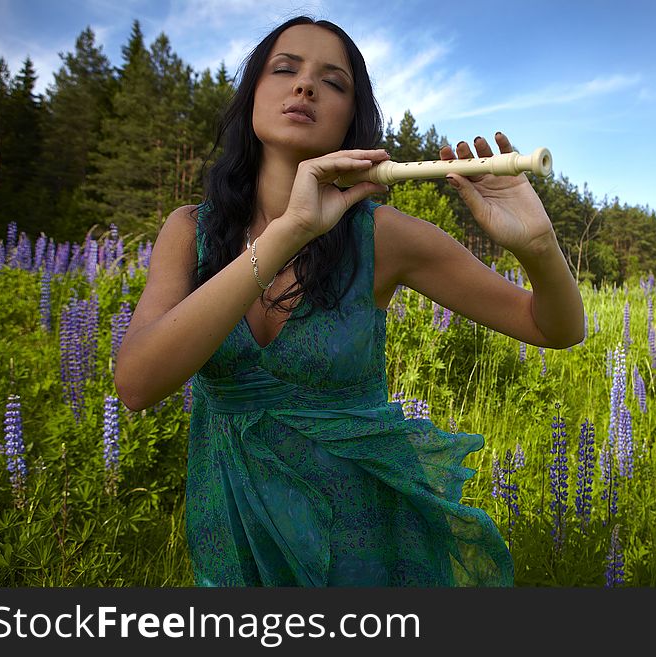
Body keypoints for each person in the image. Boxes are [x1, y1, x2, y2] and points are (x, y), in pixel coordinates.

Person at [114, 15, 584, 587]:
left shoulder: (384, 236)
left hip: (361, 547)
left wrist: (539, 246)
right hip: (234, 540)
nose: (305, 86)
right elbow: (137, 384)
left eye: (333, 82)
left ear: (351, 119)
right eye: (284, 69)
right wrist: (290, 230)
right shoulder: (189, 232)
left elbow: (555, 327)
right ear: (252, 96)